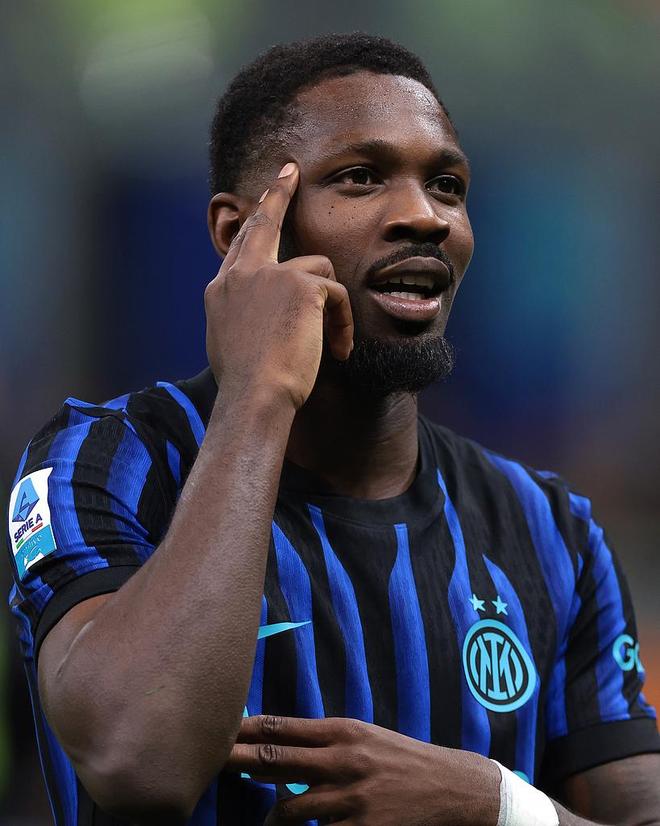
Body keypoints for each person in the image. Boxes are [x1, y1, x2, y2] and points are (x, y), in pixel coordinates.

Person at [6, 32, 660, 826]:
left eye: (447, 186)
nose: (424, 216)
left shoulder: (550, 532)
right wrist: (258, 393)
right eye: (361, 177)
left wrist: (495, 804)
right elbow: (140, 760)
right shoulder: (106, 463)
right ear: (240, 235)